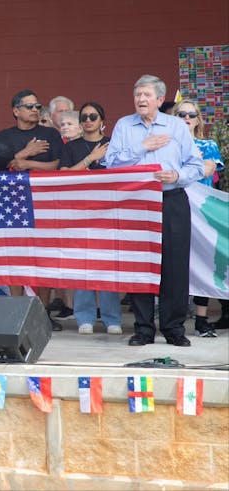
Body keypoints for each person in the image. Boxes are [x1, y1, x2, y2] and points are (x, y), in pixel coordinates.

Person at [103, 75, 205, 347]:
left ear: (160, 100)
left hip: (171, 199)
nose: (141, 99)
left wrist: (177, 176)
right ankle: (143, 329)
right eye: (137, 95)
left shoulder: (176, 126)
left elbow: (196, 166)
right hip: (136, 202)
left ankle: (174, 329)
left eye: (146, 95)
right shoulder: (124, 125)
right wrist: (142, 147)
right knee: (139, 264)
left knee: (175, 265)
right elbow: (111, 164)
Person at [0, 90, 65, 330]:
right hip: (14, 204)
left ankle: (41, 315)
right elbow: (0, 166)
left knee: (44, 259)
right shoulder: (4, 136)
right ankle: (17, 314)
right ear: (16, 110)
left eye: (38, 106)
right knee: (16, 258)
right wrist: (24, 152)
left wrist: (26, 163)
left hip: (45, 203)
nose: (35, 110)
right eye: (29, 106)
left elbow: (57, 165)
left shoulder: (50, 134)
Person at [59, 102, 122, 335]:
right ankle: (84, 317)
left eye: (92, 116)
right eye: (84, 117)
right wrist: (90, 159)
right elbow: (63, 175)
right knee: (82, 263)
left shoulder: (114, 145)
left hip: (109, 211)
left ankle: (111, 318)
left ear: (102, 120)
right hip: (79, 212)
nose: (87, 120)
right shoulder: (71, 146)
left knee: (108, 264)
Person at [172, 98, 227, 337]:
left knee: (203, 261)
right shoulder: (166, 145)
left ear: (198, 120)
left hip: (202, 211)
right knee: (174, 263)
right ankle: (171, 318)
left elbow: (206, 170)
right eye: (181, 114)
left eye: (191, 115)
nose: (186, 118)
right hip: (173, 208)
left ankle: (202, 319)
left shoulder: (208, 144)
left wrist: (177, 172)